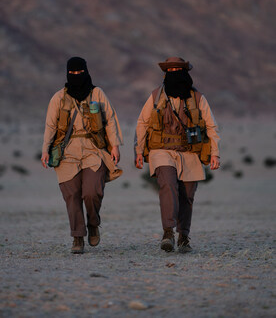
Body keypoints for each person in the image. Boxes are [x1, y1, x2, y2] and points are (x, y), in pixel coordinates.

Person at [135, 57, 220, 253]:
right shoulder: (156, 96)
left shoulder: (198, 98)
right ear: (166, 73)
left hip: (189, 152)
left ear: (186, 72)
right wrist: (138, 150)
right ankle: (168, 233)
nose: (174, 72)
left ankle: (183, 236)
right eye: (170, 69)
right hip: (161, 151)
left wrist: (215, 153)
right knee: (168, 187)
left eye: (178, 69)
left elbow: (211, 126)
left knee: (187, 195)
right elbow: (142, 123)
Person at [41, 57, 123, 254]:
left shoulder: (97, 93)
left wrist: (115, 145)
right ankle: (78, 237)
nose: (76, 77)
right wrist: (45, 149)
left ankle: (93, 223)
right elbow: (51, 125)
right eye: (73, 73)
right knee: (72, 195)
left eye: (80, 73)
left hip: (93, 148)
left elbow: (110, 119)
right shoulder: (58, 98)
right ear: (67, 74)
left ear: (86, 72)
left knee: (92, 191)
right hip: (66, 150)